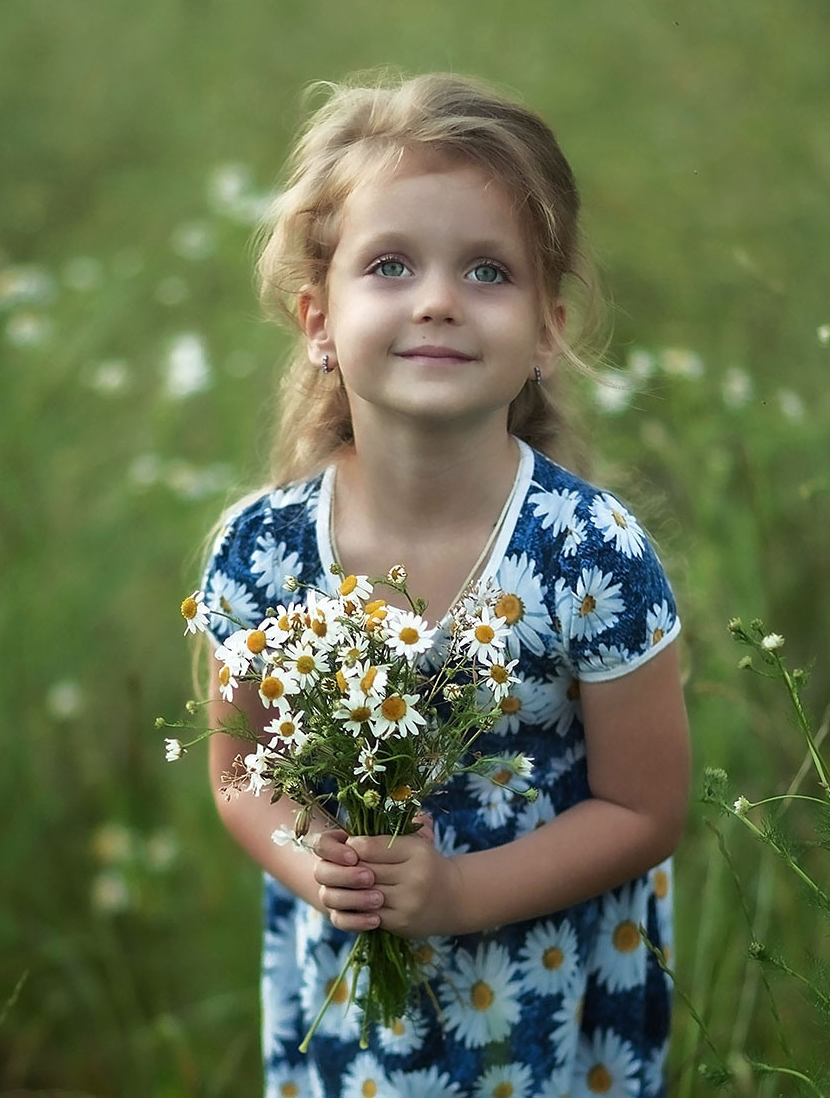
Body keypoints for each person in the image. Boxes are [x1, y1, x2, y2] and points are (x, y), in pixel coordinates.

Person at [197, 71, 690, 1098]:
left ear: (547, 331)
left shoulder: (592, 557)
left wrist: (460, 892)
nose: (436, 299)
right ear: (316, 321)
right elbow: (240, 768)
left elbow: (646, 809)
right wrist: (318, 865)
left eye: (486, 271)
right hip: (350, 1004)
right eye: (389, 264)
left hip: (544, 1010)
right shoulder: (264, 554)